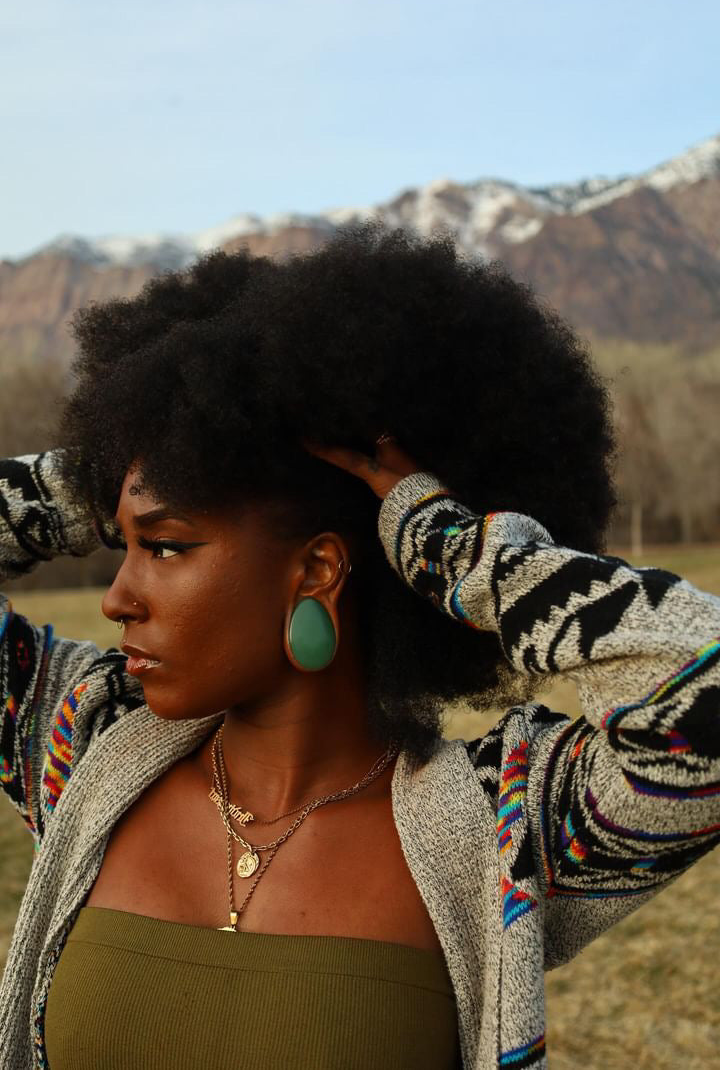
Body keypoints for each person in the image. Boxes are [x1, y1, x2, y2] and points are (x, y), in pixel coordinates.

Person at [0, 222, 718, 1070]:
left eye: (164, 546)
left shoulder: (506, 825)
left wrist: (447, 547)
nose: (118, 598)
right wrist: (111, 472)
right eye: (123, 545)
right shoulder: (85, 744)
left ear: (317, 570)